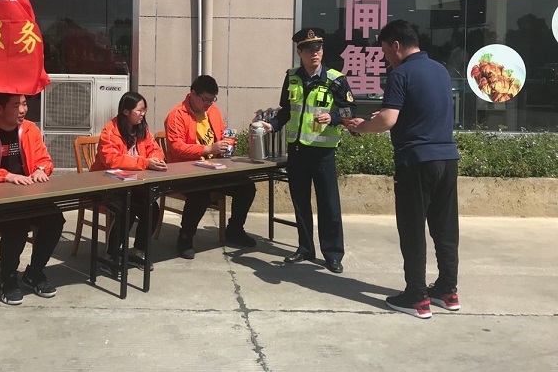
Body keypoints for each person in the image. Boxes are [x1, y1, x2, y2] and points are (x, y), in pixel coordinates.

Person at [344, 19, 461, 319]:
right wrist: (386, 114)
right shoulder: (440, 70)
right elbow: (420, 111)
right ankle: (448, 290)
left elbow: (388, 120)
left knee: (412, 228)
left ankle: (417, 296)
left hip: (416, 161)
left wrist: (362, 126)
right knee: (445, 228)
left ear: (396, 45)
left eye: (385, 51)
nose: (386, 58)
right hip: (447, 160)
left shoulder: (401, 74)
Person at [263, 28, 354, 274]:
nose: (315, 53)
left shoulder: (336, 79)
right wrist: (272, 125)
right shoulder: (292, 77)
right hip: (297, 151)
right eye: (310, 49)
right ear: (299, 52)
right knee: (300, 202)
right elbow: (286, 110)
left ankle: (333, 254)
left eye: (318, 48)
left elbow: (349, 110)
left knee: (329, 205)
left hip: (323, 152)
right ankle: (305, 248)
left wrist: (334, 117)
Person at [0, 93, 65, 303]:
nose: (23, 110)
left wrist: (40, 169)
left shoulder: (30, 129)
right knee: (17, 225)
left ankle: (35, 272)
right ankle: (7, 278)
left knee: (55, 218)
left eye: (25, 104)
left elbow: (45, 159)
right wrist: (6, 176)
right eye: (16, 105)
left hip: (27, 197)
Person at [164, 75, 257, 259]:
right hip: (185, 171)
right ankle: (185, 237)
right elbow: (176, 147)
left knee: (246, 187)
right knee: (201, 193)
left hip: (213, 167)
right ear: (193, 94)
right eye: (205, 99)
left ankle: (235, 229)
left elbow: (222, 133)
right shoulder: (177, 115)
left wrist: (228, 142)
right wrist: (207, 149)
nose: (208, 104)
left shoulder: (213, 111)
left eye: (212, 99)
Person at [91, 91, 167, 276]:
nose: (143, 114)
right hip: (107, 185)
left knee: (152, 208)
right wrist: (145, 162)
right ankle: (110, 256)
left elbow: (156, 150)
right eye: (139, 110)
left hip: (134, 184)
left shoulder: (142, 129)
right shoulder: (110, 131)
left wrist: (155, 159)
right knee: (128, 209)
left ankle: (138, 251)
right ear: (126, 111)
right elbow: (112, 160)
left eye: (144, 110)